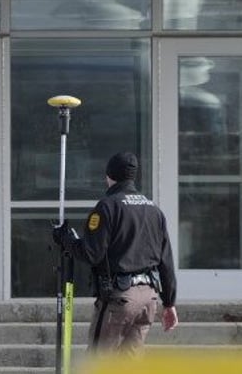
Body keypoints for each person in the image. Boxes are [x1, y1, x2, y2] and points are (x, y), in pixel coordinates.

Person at [52, 151, 178, 355]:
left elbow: (92, 253)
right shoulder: (154, 210)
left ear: (109, 176)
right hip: (148, 299)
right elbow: (166, 261)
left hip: (121, 299)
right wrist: (169, 302)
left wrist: (66, 239)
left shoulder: (107, 207)